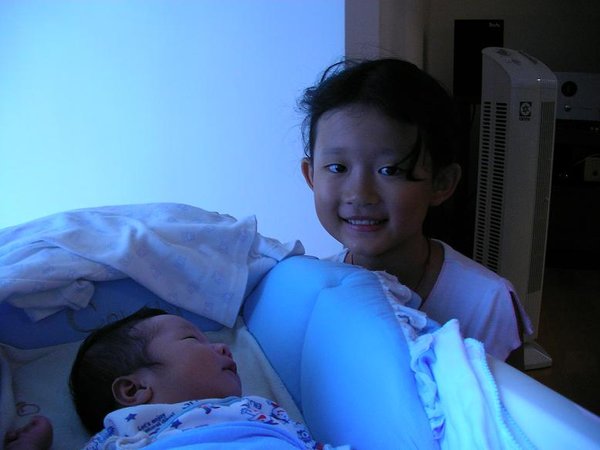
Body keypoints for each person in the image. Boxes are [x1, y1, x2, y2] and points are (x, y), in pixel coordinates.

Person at [299, 58, 532, 363]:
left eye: (390, 170)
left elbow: (507, 394)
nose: (359, 194)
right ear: (311, 175)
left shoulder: (487, 303)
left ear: (442, 183)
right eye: (337, 167)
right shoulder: (316, 288)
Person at [4, 308, 336, 450]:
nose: (222, 346)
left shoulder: (258, 409)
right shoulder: (124, 434)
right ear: (134, 389)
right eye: (192, 339)